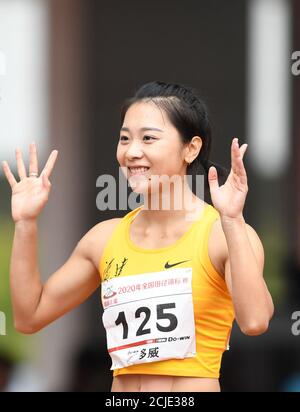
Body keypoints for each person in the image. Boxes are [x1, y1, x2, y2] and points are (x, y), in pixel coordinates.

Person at [2, 81, 274, 392]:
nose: (132, 152)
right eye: (124, 139)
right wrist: (25, 223)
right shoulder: (103, 239)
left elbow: (255, 321)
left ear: (191, 148)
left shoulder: (222, 235)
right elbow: (29, 316)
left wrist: (233, 220)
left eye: (148, 138)